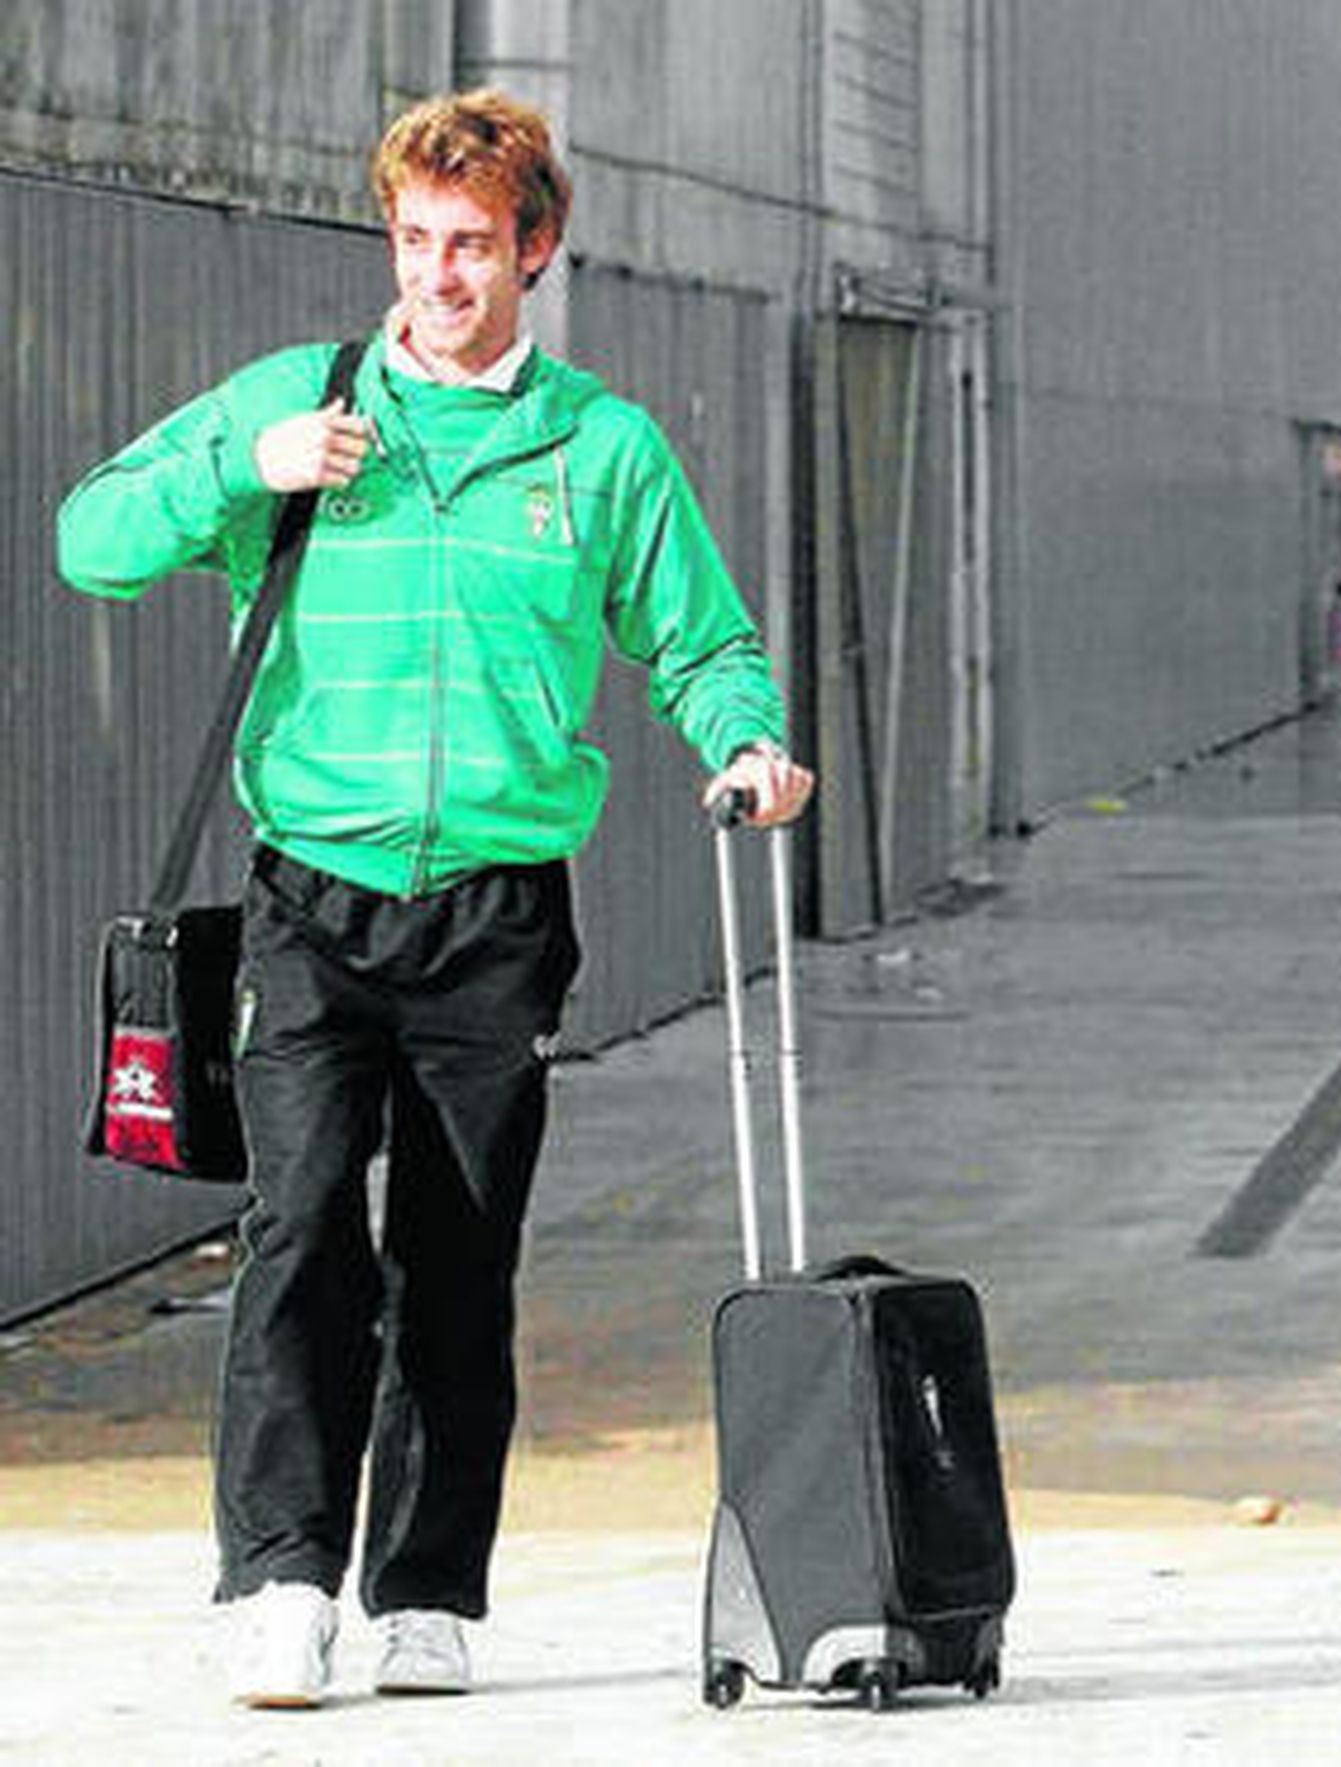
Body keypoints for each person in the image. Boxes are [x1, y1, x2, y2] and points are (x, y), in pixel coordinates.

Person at [56, 89, 813, 1709]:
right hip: (313, 903)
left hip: (496, 915)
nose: (438, 275)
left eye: (472, 243)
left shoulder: (599, 448)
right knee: (302, 1230)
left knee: (459, 1259)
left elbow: (702, 639)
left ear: (535, 248)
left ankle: (424, 1592)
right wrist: (237, 473)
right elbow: (91, 541)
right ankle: (277, 1582)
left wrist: (748, 740)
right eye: (415, 241)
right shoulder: (306, 413)